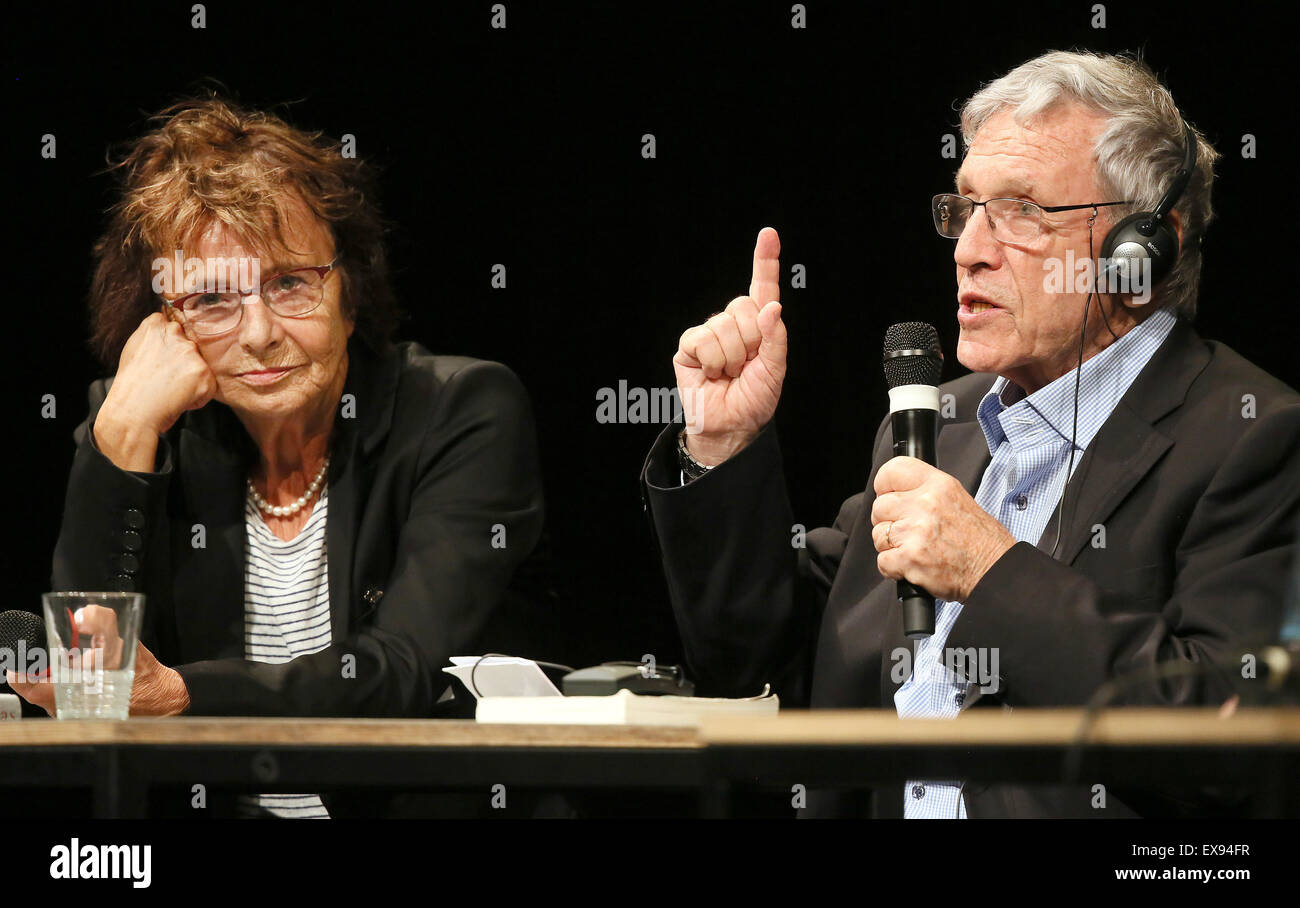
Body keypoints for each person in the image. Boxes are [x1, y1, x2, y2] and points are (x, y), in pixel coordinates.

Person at [641, 51, 1300, 817]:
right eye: (965, 209)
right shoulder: (931, 428)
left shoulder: (1254, 437)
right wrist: (722, 446)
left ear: (1141, 250)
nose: (969, 251)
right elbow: (761, 655)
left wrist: (992, 572)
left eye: (1023, 210)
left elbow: (1234, 739)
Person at [9, 94, 546, 817]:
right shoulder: (140, 422)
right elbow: (87, 692)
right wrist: (122, 434)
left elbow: (403, 674)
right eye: (211, 301)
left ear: (348, 293)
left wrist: (182, 694)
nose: (259, 334)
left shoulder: (461, 409)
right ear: (165, 326)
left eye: (290, 283)